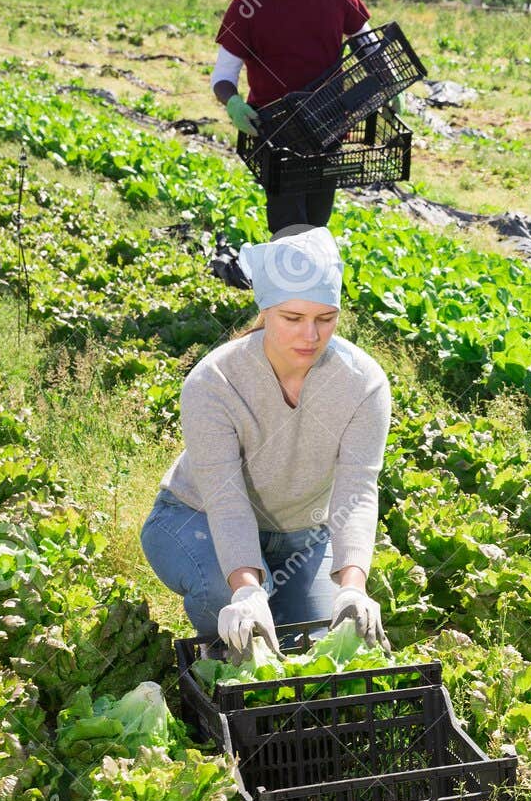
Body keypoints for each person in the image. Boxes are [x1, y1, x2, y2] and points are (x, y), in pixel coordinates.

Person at [140, 225, 392, 656]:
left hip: (302, 536)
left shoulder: (363, 383)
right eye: (292, 318)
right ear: (266, 310)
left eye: (325, 319)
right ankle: (222, 672)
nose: (310, 336)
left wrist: (353, 585)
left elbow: (358, 488)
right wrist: (246, 589)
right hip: (193, 518)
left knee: (320, 644)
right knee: (235, 609)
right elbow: (225, 498)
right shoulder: (215, 380)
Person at [211, 0, 389, 233]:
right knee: (290, 225)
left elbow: (369, 47)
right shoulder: (246, 7)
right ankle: (290, 279)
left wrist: (386, 84)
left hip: (328, 126)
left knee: (317, 221)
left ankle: (308, 279)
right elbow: (223, 76)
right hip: (276, 132)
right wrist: (234, 104)